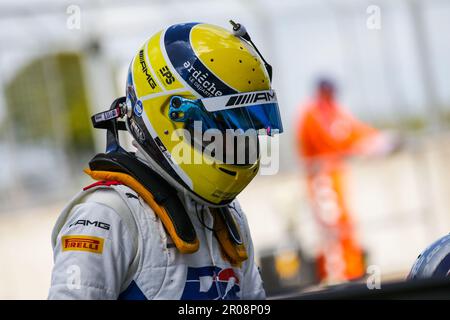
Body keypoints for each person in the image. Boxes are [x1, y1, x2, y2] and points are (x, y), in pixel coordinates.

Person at [48, 21, 283, 300]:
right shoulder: (105, 215)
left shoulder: (229, 216)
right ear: (170, 115)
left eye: (247, 127)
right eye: (225, 125)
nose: (240, 141)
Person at [296, 78, 382, 283]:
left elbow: (351, 129)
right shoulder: (312, 112)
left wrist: (375, 139)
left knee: (344, 223)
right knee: (332, 227)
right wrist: (358, 144)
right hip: (321, 177)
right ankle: (337, 276)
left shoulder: (333, 109)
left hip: (334, 175)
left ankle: (352, 272)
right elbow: (332, 138)